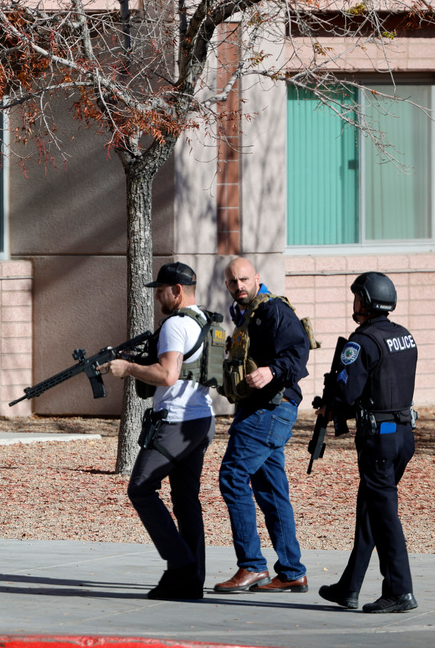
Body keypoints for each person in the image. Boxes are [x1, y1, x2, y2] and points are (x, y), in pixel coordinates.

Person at [100, 262, 216, 600]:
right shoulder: (205, 321)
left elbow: (167, 375)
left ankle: (181, 566)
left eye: (161, 290)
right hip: (201, 420)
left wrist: (128, 368)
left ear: (177, 291)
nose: (158, 296)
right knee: (185, 500)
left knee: (140, 488)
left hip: (176, 422)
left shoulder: (176, 325)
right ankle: (191, 581)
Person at [318, 272, 418, 614]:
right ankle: (349, 586)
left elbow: (346, 393)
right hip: (404, 435)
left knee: (384, 514)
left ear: (366, 301)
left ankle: (399, 590)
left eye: (357, 297)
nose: (354, 303)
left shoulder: (362, 342)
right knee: (371, 511)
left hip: (379, 441)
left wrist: (333, 399)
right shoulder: (403, 336)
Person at [214, 256, 309, 594]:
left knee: (232, 475)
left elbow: (298, 352)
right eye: (232, 282)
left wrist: (271, 370)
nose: (238, 286)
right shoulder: (244, 314)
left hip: (270, 408)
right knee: (270, 490)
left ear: (256, 278)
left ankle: (252, 566)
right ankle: (292, 571)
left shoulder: (272, 310)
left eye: (243, 280)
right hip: (258, 409)